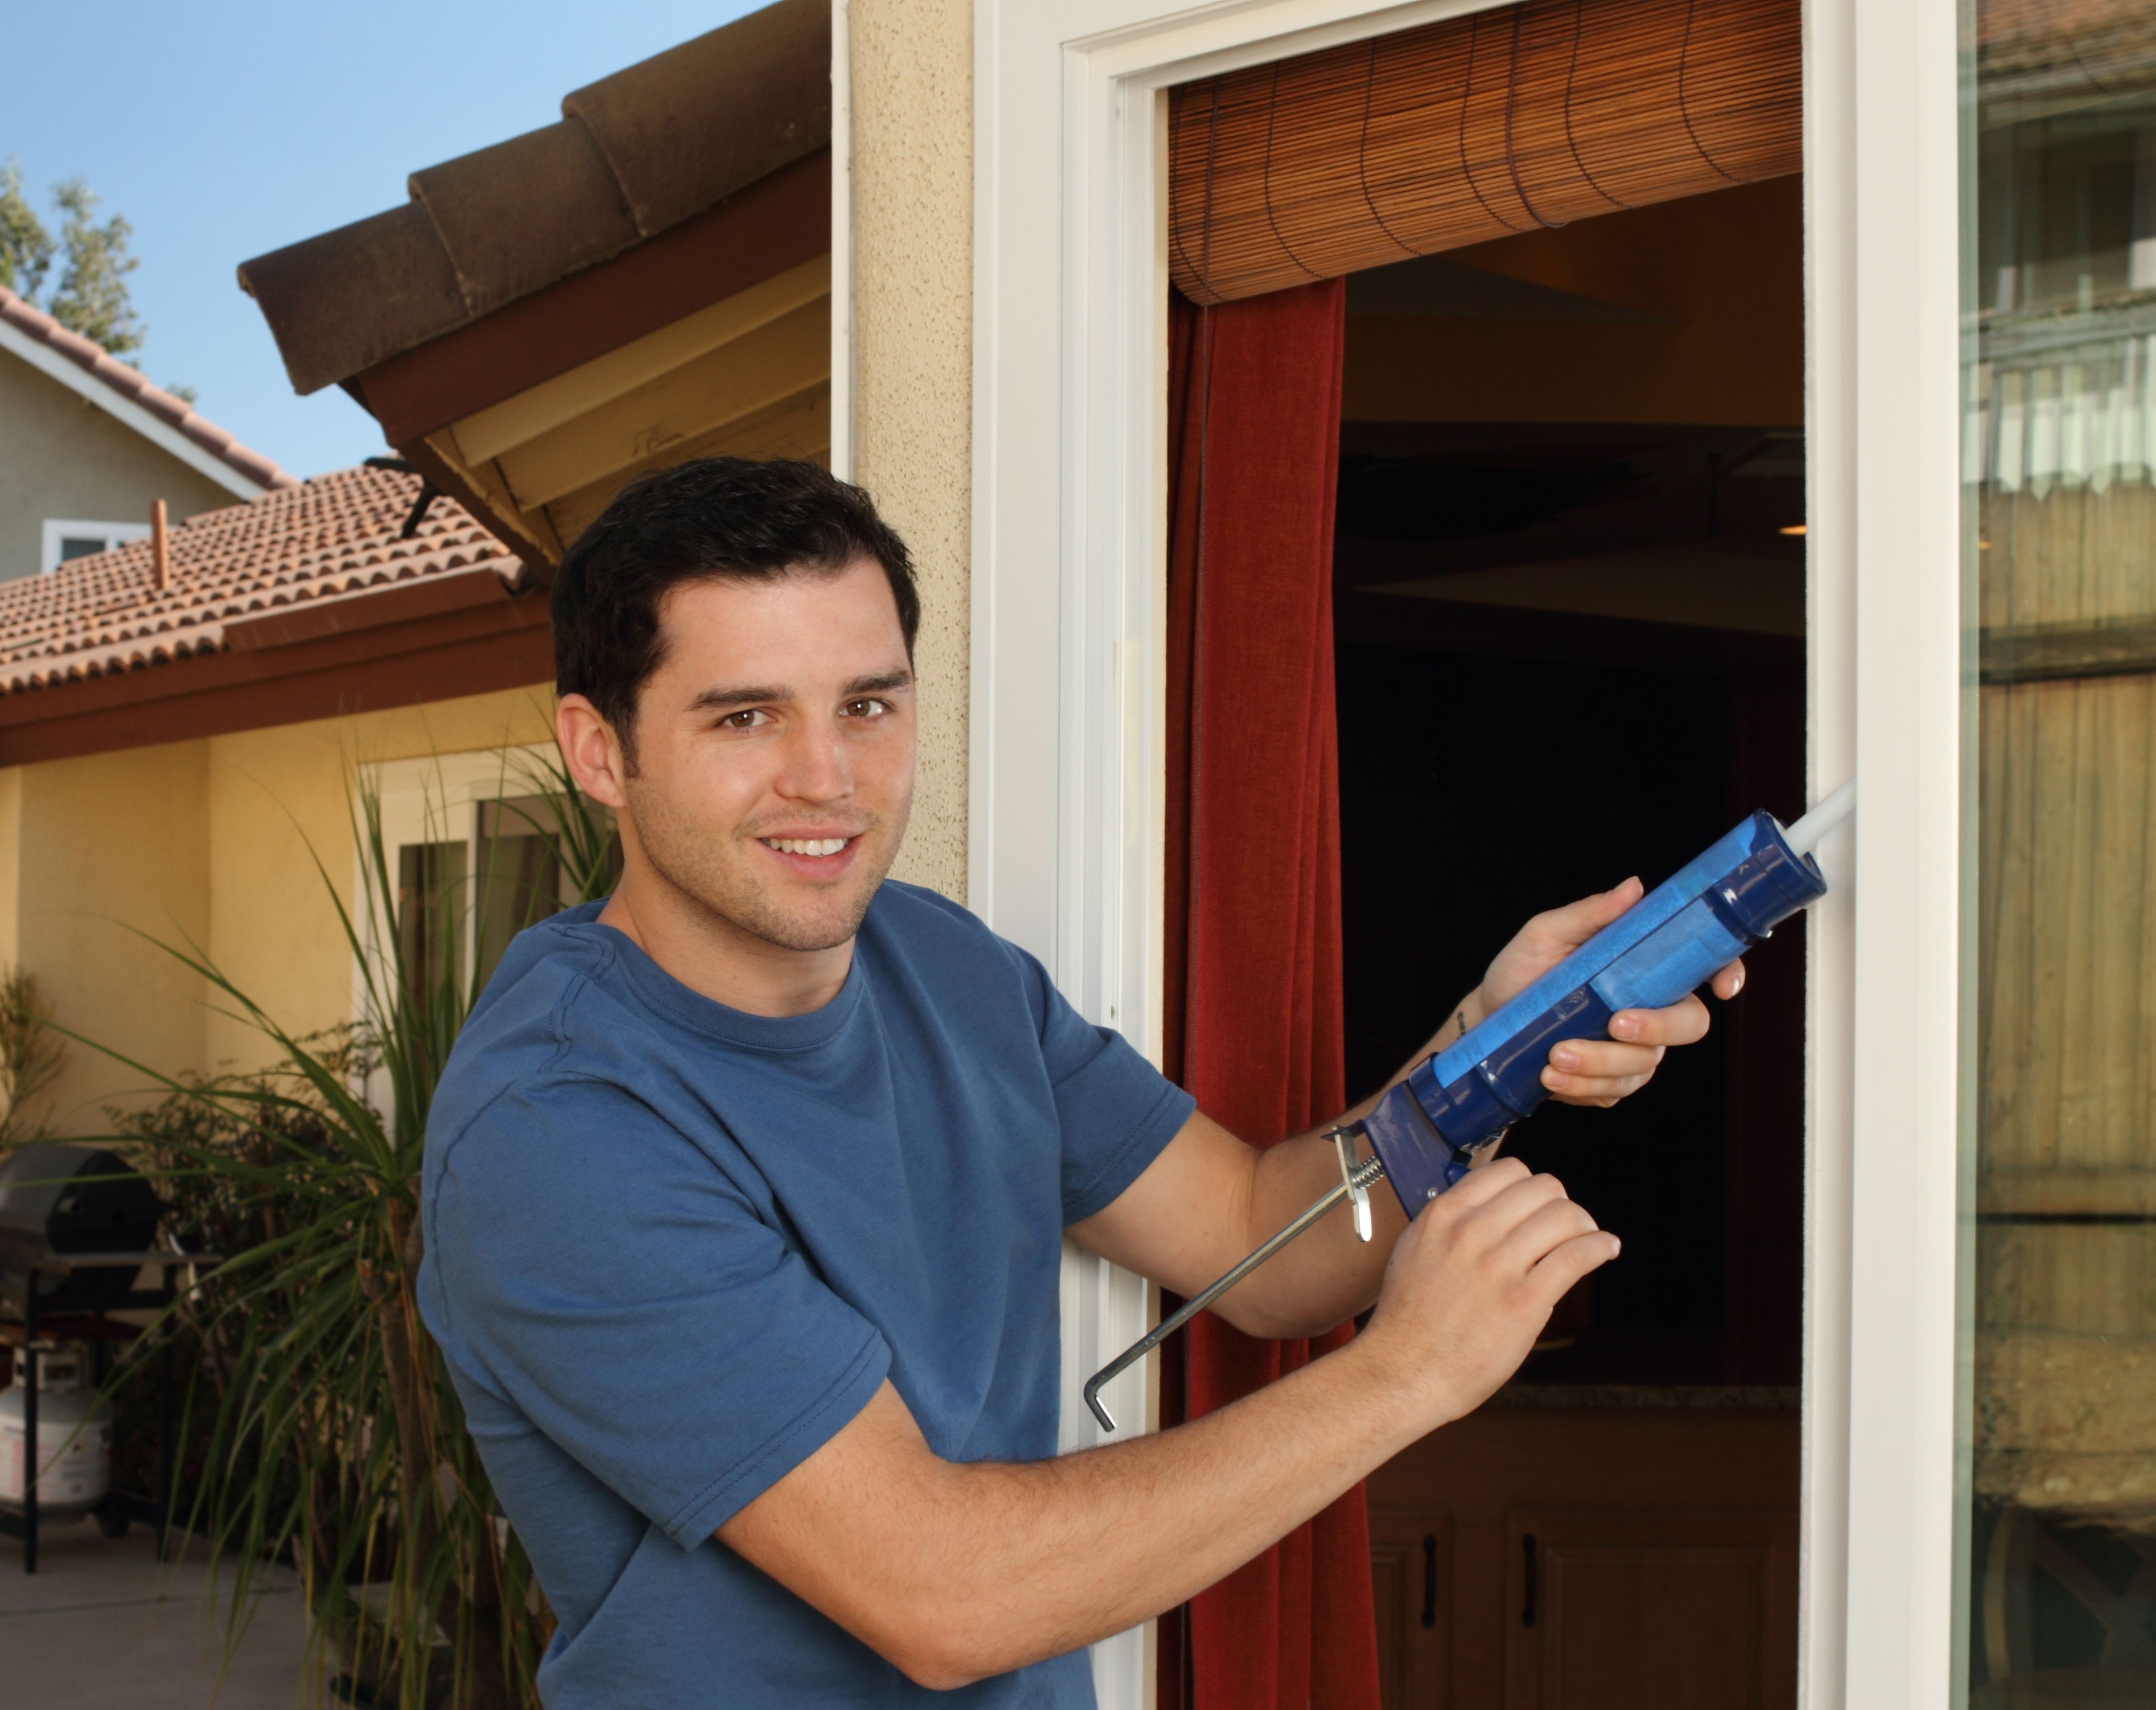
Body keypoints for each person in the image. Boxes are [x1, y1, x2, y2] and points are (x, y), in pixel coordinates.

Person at [417, 458, 1742, 1705]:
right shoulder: (558, 1127)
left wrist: (1491, 1043)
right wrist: (1405, 1377)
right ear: (601, 752)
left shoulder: (942, 963)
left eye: (867, 704)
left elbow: (1256, 1238)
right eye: (746, 715)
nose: (827, 778)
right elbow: (942, 1594)